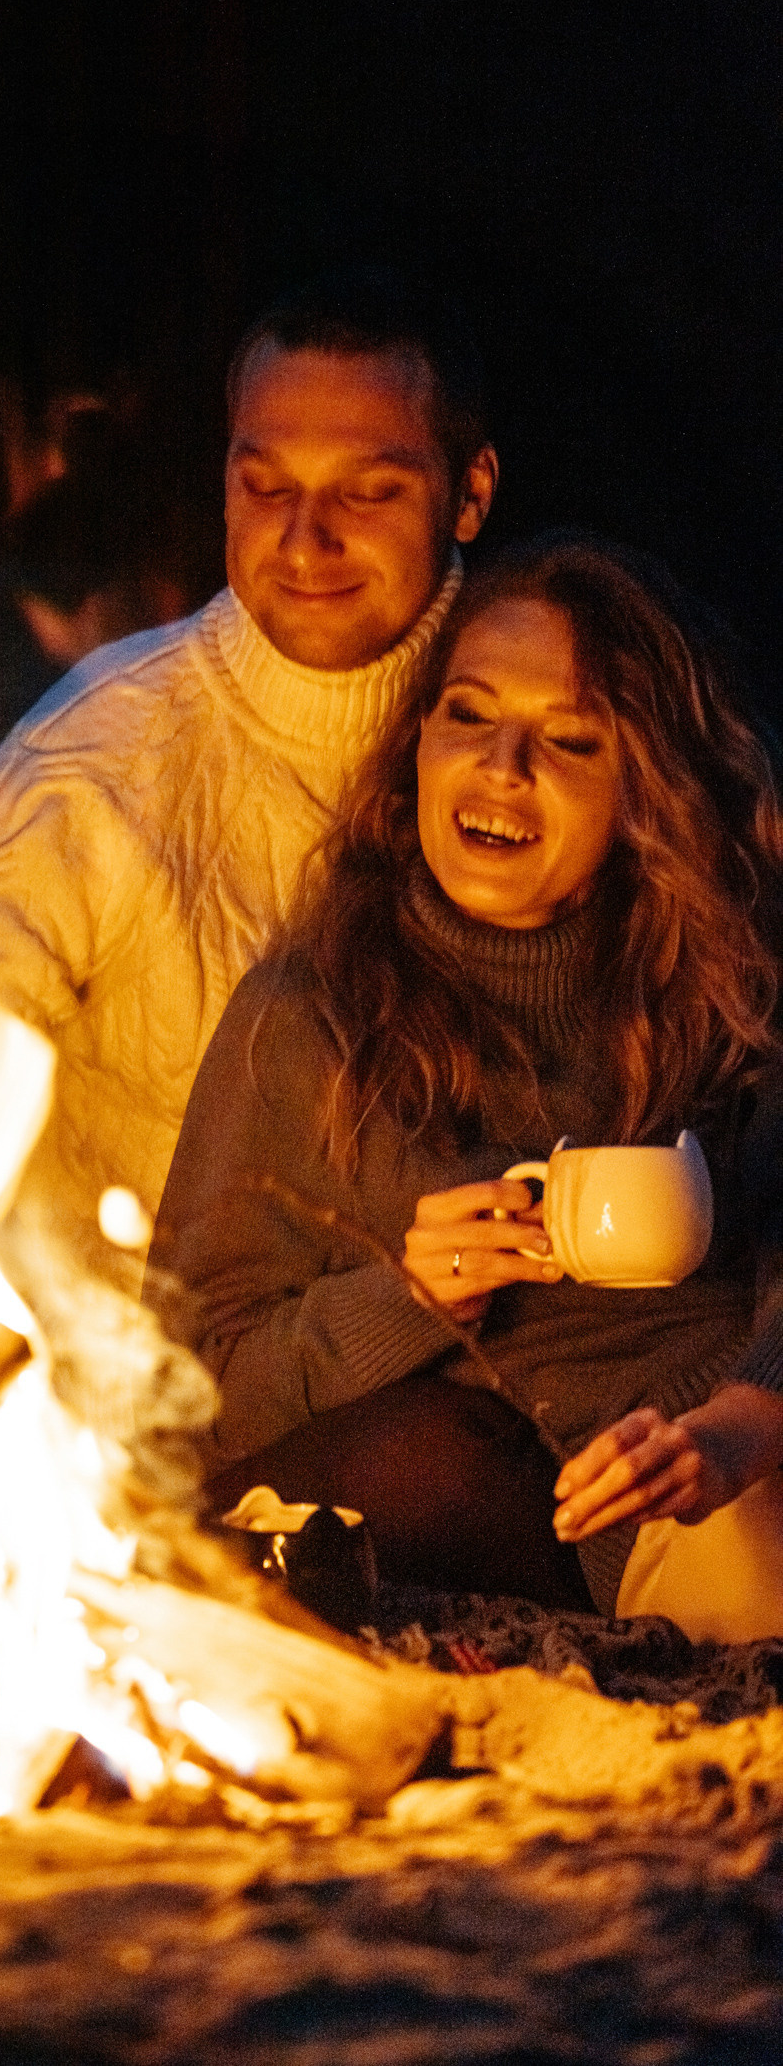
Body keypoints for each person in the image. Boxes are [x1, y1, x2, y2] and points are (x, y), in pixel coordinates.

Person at [148, 539, 783, 1636]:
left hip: (729, 1451)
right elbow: (183, 1390)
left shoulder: (718, 980)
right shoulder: (310, 1013)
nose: (501, 765)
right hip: (528, 1498)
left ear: (645, 788)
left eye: (569, 739)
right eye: (467, 716)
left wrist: (745, 1417)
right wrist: (405, 1297)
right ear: (417, 746)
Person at [0, 269, 500, 1279]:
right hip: (135, 1389)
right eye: (267, 485)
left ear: (471, 492)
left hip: (471, 1383)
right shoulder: (95, 763)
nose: (305, 538)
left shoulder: (560, 744)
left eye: (368, 491)